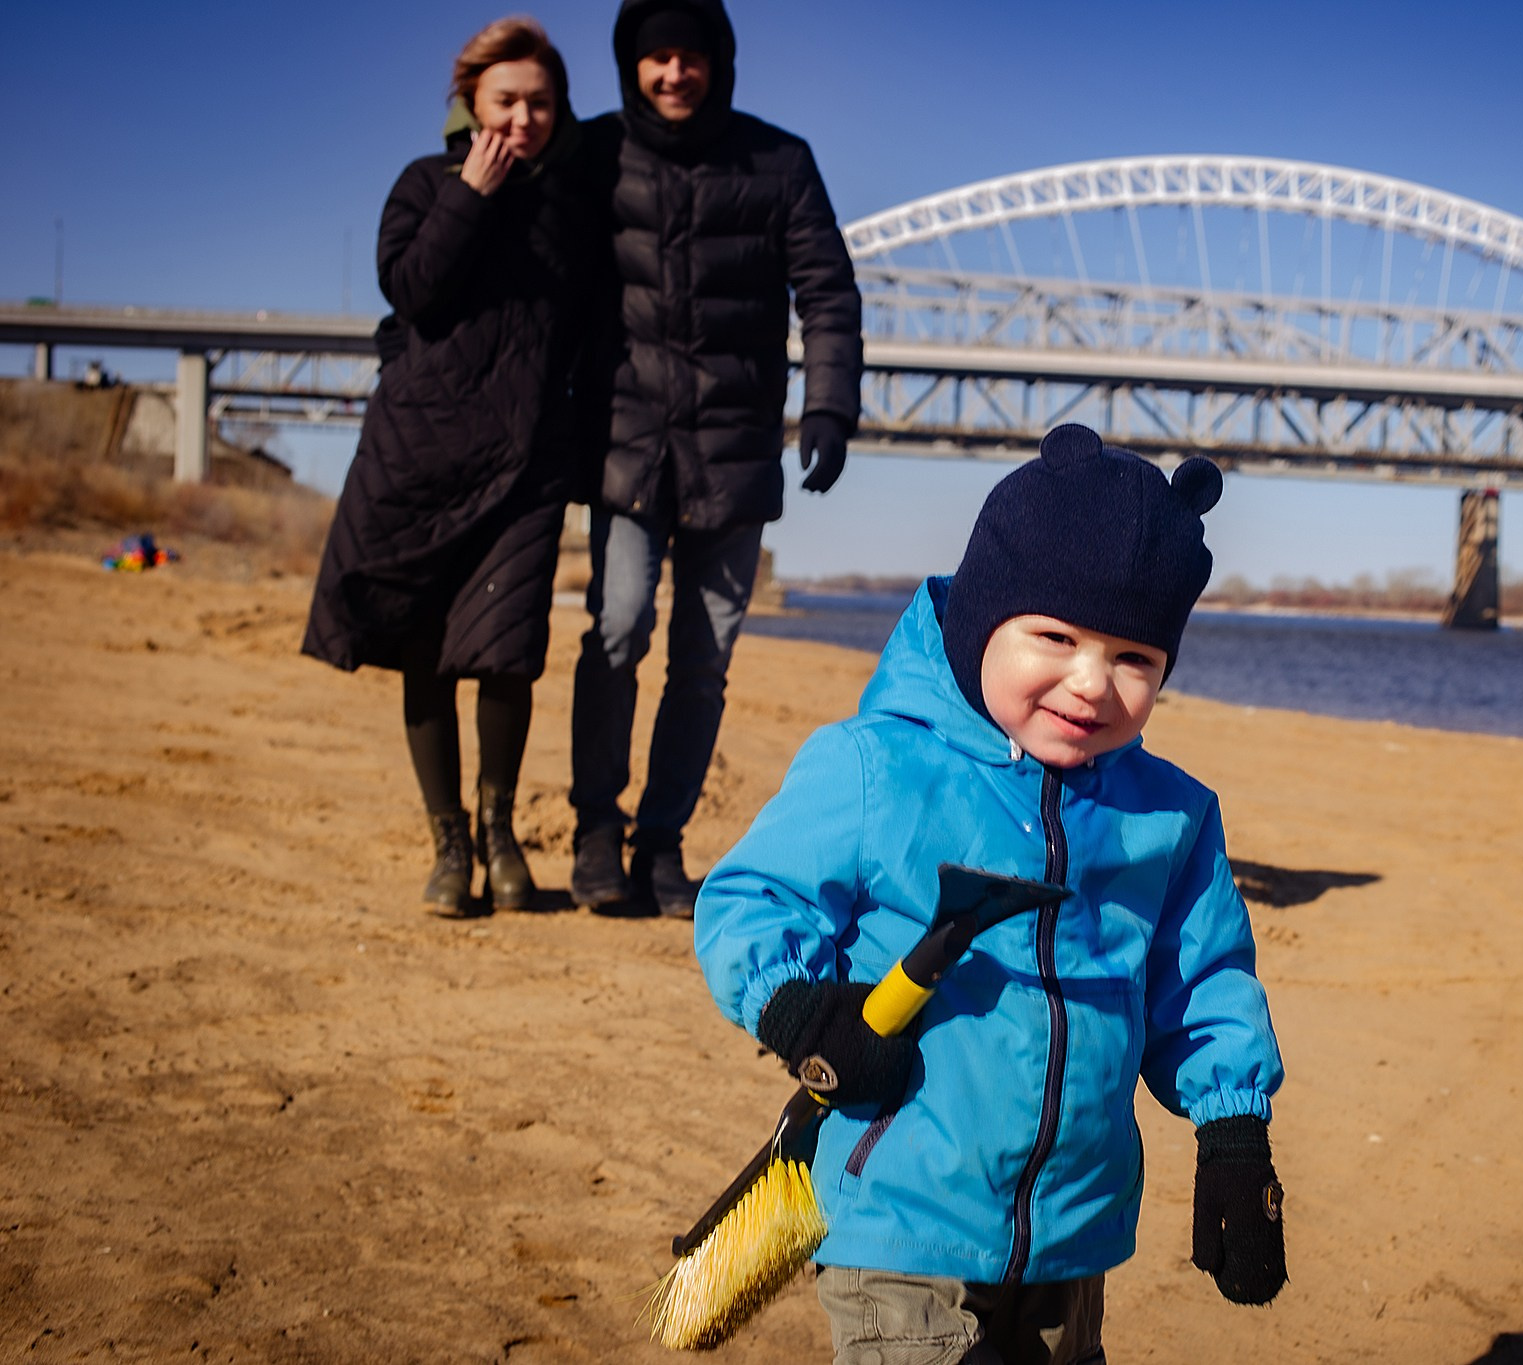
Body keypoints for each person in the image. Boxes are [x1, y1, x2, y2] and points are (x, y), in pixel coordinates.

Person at [696, 424, 1287, 1364]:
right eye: (1054, 636)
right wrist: (804, 1012)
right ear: (981, 622)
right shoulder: (875, 764)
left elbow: (1203, 979)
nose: (1091, 682)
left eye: (1135, 657)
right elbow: (750, 901)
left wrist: (1233, 1135)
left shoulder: (1171, 816)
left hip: (1074, 1231)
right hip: (901, 1213)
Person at [568, 0, 863, 916]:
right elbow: (524, 259)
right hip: (626, 441)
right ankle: (592, 829)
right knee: (617, 628)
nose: (673, 74)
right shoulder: (590, 155)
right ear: (632, 63)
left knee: (704, 659)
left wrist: (828, 406)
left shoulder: (778, 161)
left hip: (733, 452)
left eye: (691, 56)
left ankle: (660, 841)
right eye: (656, 56)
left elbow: (828, 293)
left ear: (718, 63)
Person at [303, 17, 596, 914]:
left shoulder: (575, 203)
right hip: (420, 457)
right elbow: (414, 291)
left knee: (507, 652)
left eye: (541, 103)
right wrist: (469, 193)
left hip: (526, 467)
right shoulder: (424, 184)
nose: (523, 118)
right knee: (424, 652)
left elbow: (589, 332)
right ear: (470, 100)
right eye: (506, 100)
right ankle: (449, 846)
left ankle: (503, 834)